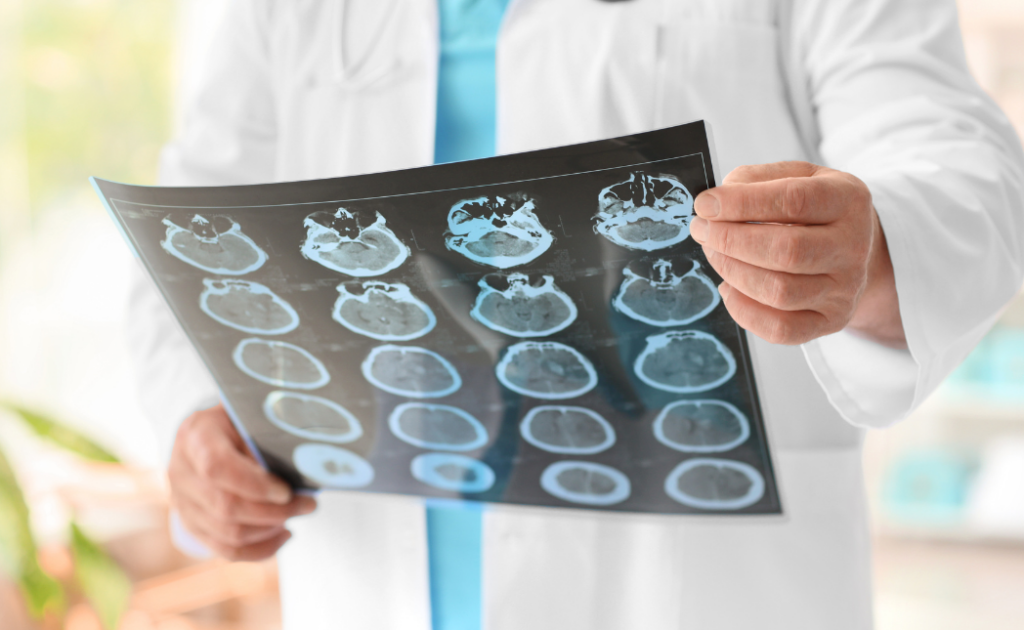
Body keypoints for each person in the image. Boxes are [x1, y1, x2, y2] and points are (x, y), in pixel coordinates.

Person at [128, 1, 1024, 629]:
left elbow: (959, 160)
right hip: (367, 577)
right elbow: (188, 227)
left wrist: (870, 245)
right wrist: (198, 425)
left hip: (705, 593)